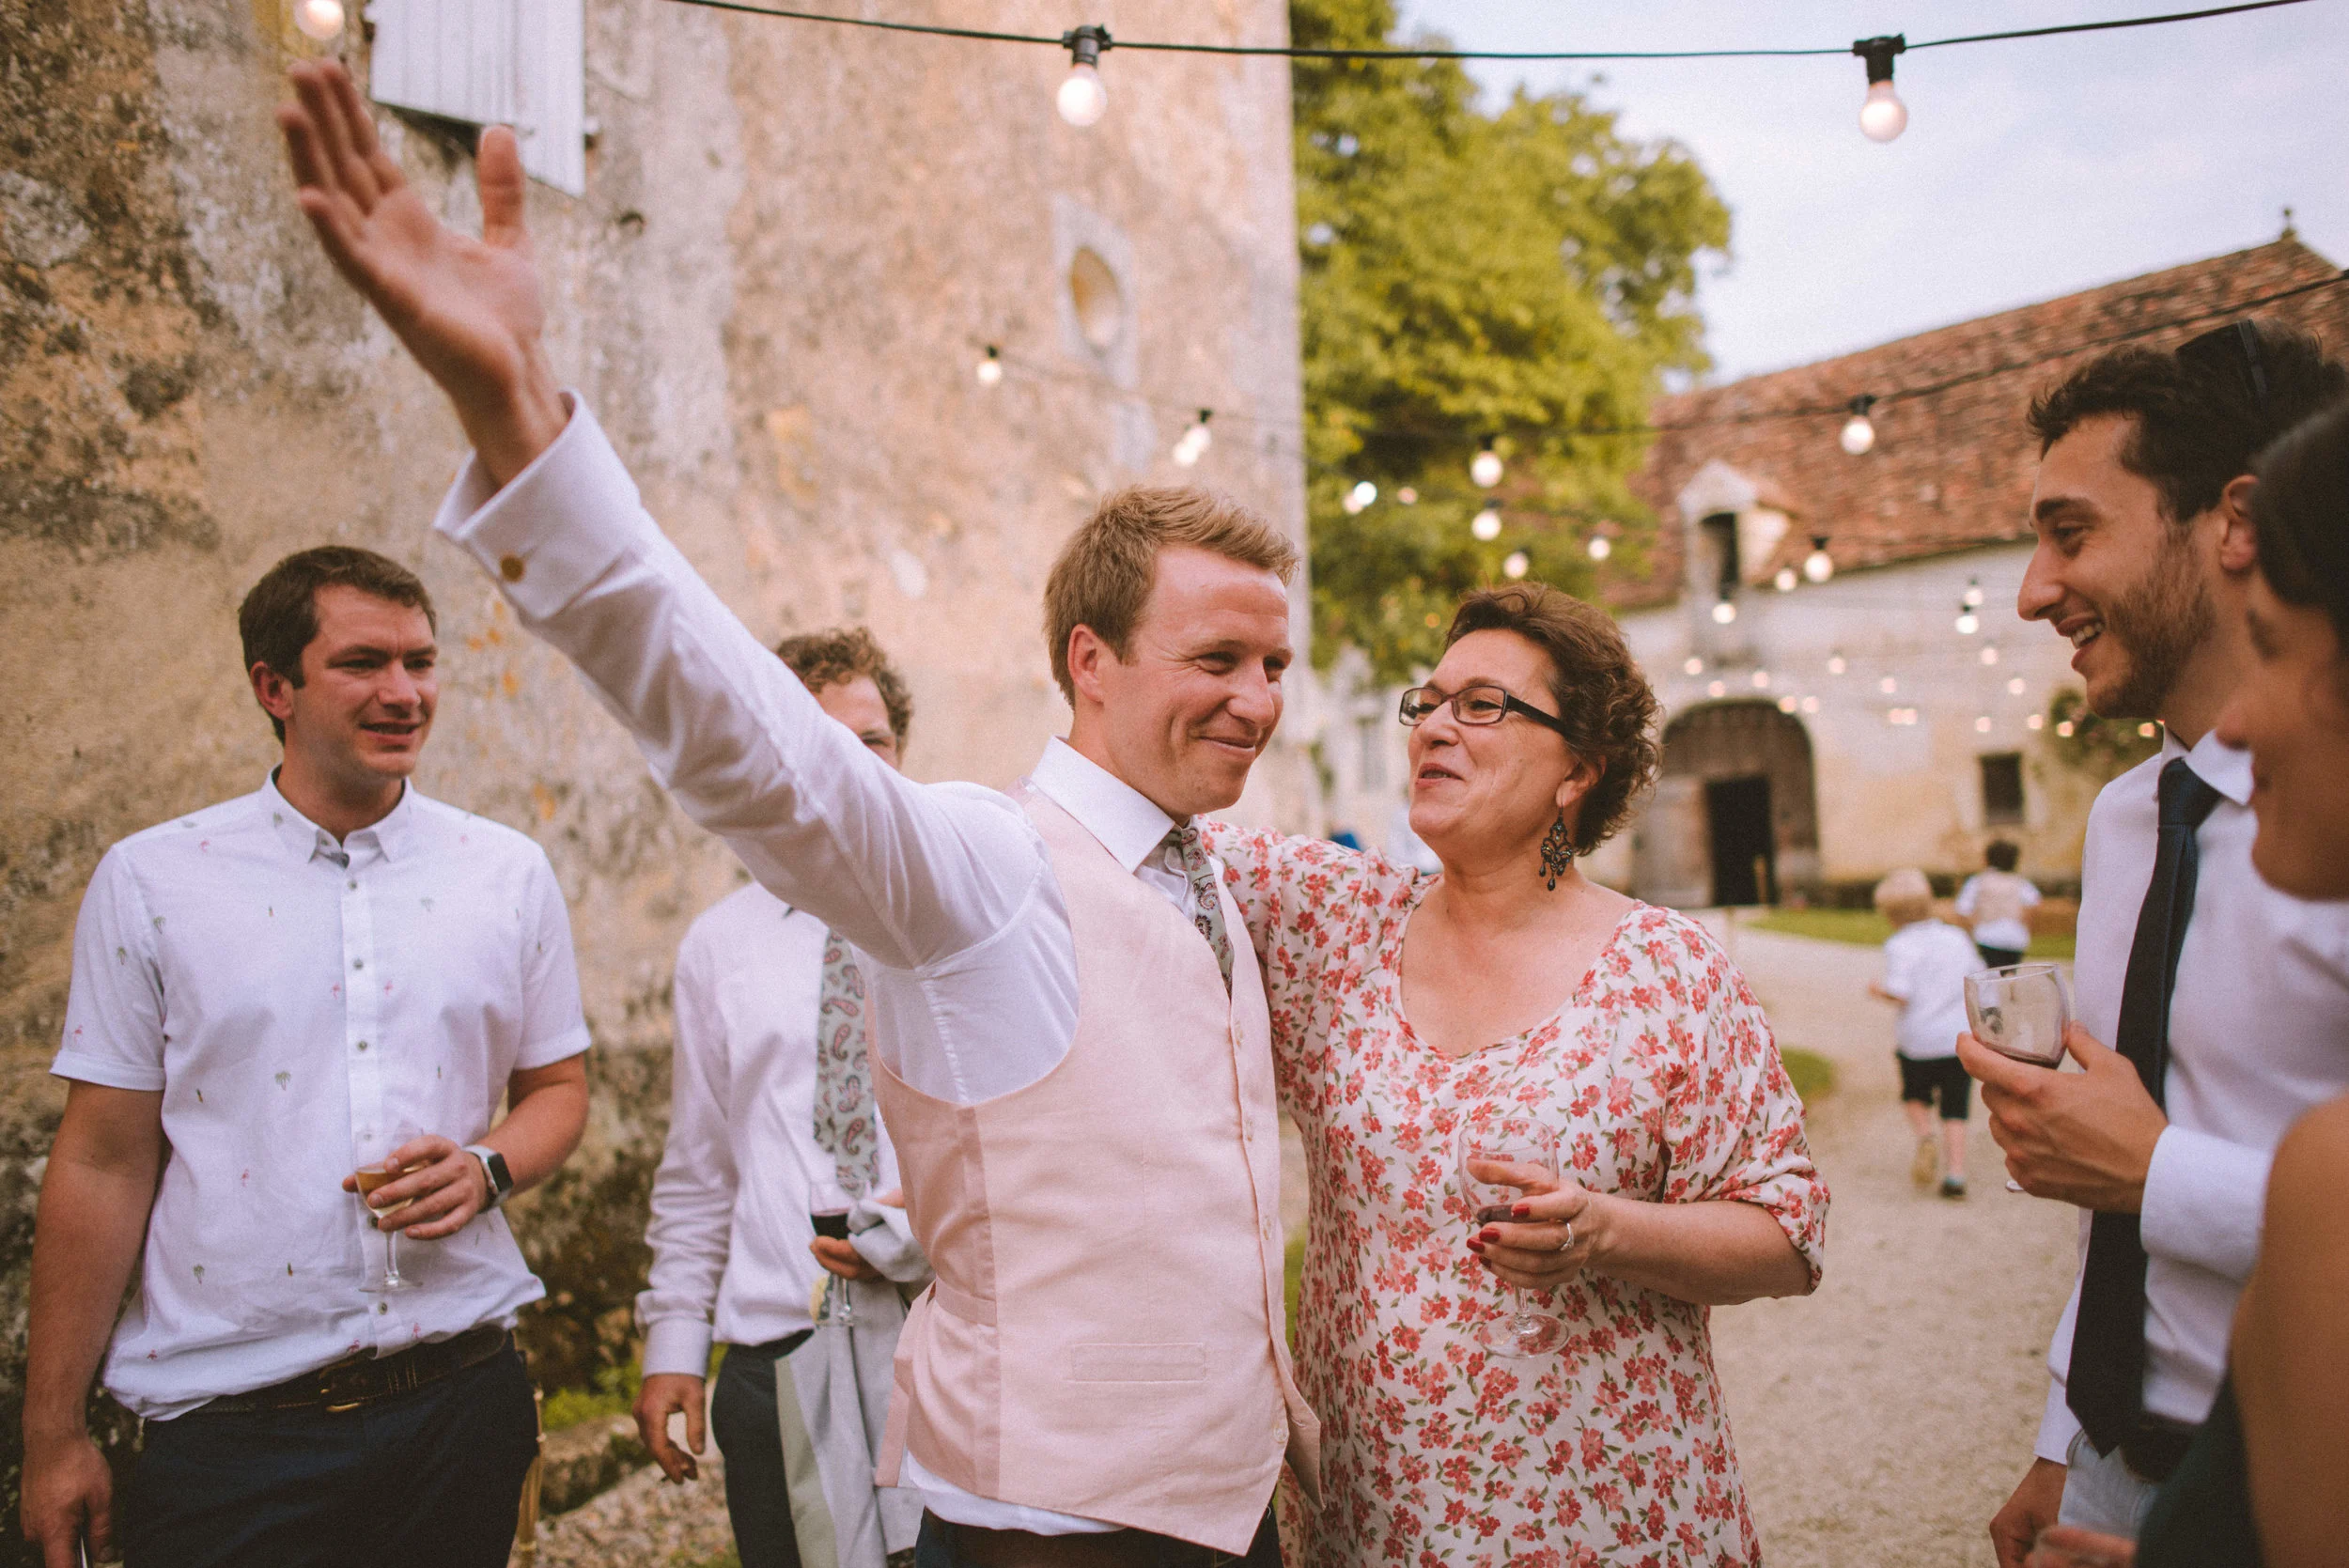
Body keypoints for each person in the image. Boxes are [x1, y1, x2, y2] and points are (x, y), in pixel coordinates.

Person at [273, 66, 1314, 1565]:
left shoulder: (1220, 875)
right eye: (1217, 658)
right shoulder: (985, 859)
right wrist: (527, 433)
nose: (1259, 699)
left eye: (1274, 664)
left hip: (1238, 1494)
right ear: (1089, 661)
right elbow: (768, 758)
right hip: (1060, 1523)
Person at [1202, 584, 1826, 1566]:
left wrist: (1607, 1231)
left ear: (1578, 769)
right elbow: (1137, 837)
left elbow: (1786, 1234)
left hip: (1605, 1514)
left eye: (1482, 705)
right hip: (1374, 1516)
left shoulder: (1667, 969)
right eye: (1431, 701)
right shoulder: (1333, 921)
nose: (1434, 728)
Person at [19, 547, 592, 1568]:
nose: (404, 692)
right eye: (364, 661)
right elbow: (103, 1158)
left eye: (421, 661)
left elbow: (556, 1089)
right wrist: (53, 1433)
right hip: (236, 1433)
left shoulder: (506, 872)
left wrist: (487, 1165)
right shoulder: (152, 881)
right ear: (271, 687)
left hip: (458, 1404)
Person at [1958, 320, 2349, 1567]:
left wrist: (2159, 1168)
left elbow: (2143, 1161)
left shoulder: (2329, 820)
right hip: (2123, 1463)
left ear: (2227, 521)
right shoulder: (2128, 818)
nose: (2030, 590)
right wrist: (2067, 1436)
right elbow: (2110, 1188)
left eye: (2070, 533)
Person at [633, 627, 929, 1568]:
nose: (848, 760)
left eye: (871, 739)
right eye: (814, 737)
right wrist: (673, 1338)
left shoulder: (957, 920)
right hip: (778, 1355)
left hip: (942, 1339)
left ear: (898, 754)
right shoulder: (719, 945)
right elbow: (699, 1162)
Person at [1868, 867, 1980, 1198]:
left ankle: (1925, 1135)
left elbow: (1901, 993)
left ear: (1890, 914)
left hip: (1917, 1040)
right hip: (1956, 1038)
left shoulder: (1898, 945)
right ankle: (1956, 1175)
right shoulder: (1956, 937)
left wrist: (1878, 990)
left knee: (1914, 1095)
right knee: (1955, 1107)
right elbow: (1978, 976)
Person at [1957, 840, 2043, 968]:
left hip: (1988, 937)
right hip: (2015, 938)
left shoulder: (1978, 881)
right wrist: (2024, 924)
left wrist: (1975, 927)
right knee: (2009, 976)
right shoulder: (2019, 882)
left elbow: (1962, 909)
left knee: (1991, 975)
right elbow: (2034, 902)